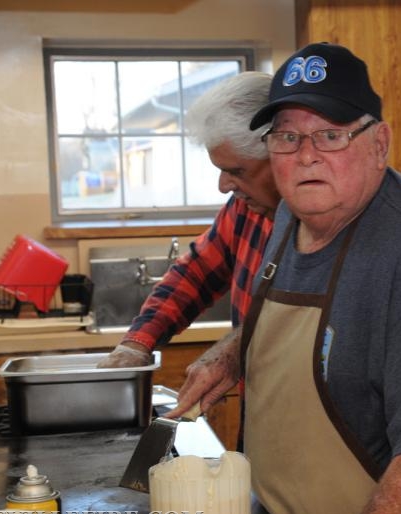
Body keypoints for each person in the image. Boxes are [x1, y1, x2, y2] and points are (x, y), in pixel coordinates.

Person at [171, 43, 401, 514]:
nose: (306, 156)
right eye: (287, 137)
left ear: (379, 144)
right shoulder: (294, 209)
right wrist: (232, 351)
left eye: (331, 136)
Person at [97, 71, 280, 369]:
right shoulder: (244, 209)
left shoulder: (321, 224)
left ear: (279, 153)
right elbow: (196, 273)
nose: (224, 186)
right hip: (260, 403)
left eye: (237, 171)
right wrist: (137, 343)